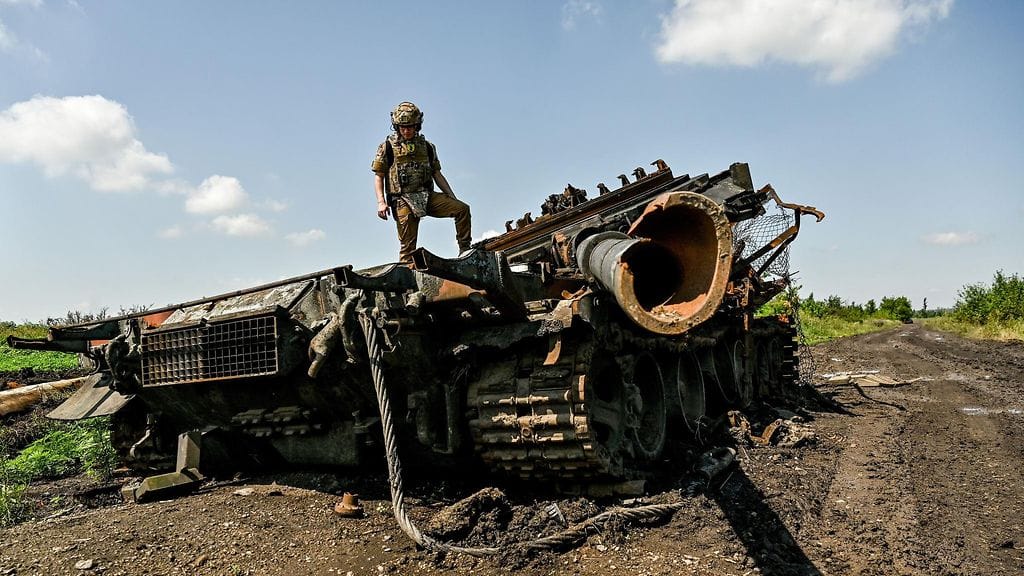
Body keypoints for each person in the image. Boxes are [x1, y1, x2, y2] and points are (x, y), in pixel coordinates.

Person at [371, 101, 472, 264]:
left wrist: (451, 196)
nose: (406, 130)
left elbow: (437, 174)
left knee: (462, 209)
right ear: (396, 127)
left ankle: (465, 250)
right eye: (402, 127)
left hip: (426, 196)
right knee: (408, 248)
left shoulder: (427, 147)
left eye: (410, 126)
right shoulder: (387, 147)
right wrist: (381, 202)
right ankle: (406, 280)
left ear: (417, 125)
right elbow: (379, 176)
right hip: (403, 199)